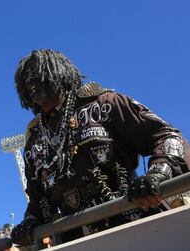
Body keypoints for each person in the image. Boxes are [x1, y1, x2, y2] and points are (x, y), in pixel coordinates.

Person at [10, 49, 190, 248]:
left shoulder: (104, 103)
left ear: (57, 72)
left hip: (133, 223)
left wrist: (158, 174)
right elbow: (37, 199)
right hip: (74, 239)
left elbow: (167, 135)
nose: (31, 82)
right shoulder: (33, 140)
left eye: (36, 74)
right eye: (25, 80)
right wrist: (29, 222)